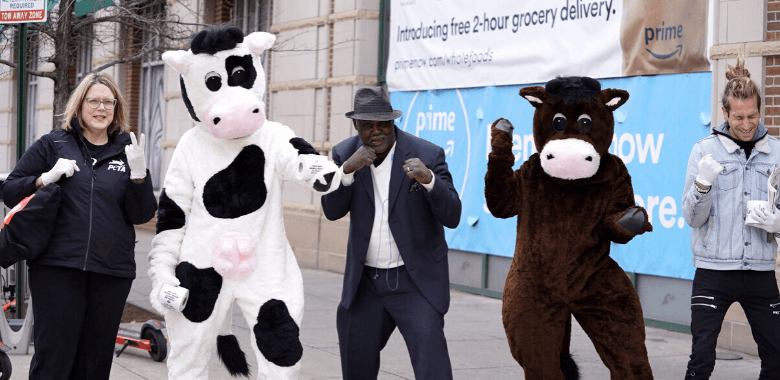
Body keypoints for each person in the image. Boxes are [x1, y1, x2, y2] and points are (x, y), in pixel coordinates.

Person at [1, 72, 157, 380]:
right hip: (57, 268)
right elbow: (9, 190)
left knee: (95, 363)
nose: (101, 109)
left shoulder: (128, 152)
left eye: (108, 102)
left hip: (111, 273)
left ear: (117, 108)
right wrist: (45, 178)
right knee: (54, 359)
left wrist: (139, 175)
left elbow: (141, 215)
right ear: (80, 105)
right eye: (94, 101)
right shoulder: (53, 145)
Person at [321, 87, 462, 379]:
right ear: (355, 125)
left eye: (383, 123)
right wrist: (345, 172)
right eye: (368, 125)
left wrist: (429, 181)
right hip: (365, 285)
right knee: (356, 364)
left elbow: (453, 216)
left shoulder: (427, 154)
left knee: (433, 368)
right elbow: (332, 211)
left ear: (393, 121)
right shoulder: (343, 154)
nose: (377, 131)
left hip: (415, 281)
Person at [682, 58, 780, 379]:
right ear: (725, 113)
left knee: (777, 358)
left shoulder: (777, 153)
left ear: (759, 110)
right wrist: (703, 184)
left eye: (752, 115)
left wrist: (778, 224)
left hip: (761, 273)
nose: (746, 123)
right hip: (713, 271)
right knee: (701, 361)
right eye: (738, 117)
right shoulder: (703, 151)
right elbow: (692, 218)